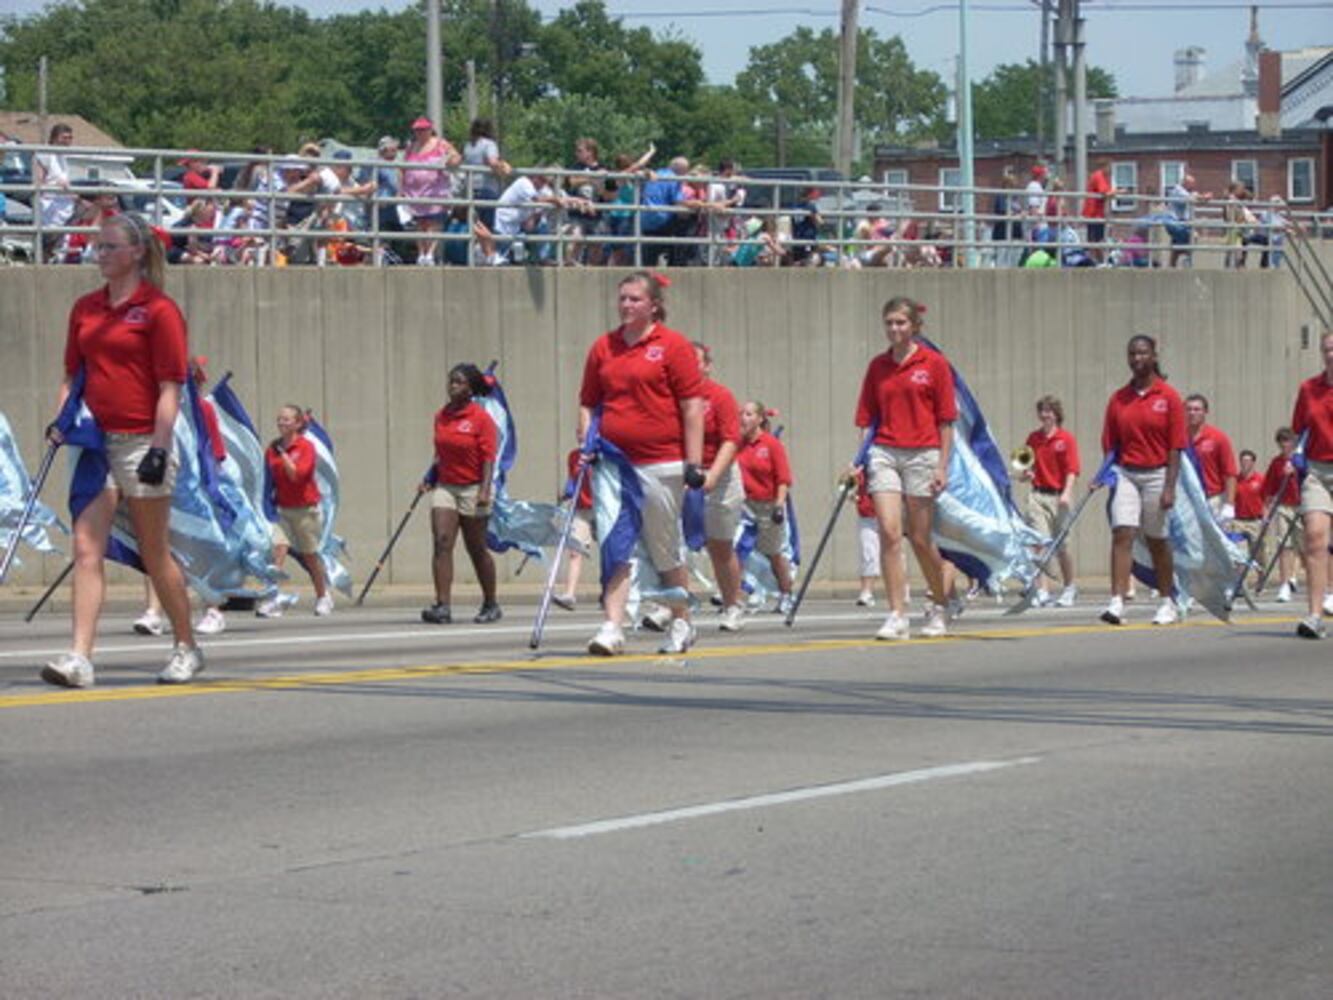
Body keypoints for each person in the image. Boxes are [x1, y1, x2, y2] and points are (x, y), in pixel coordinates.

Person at [41, 213, 205, 688]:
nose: (100, 254)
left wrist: (159, 446)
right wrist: (61, 420)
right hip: (95, 441)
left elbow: (170, 384)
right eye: (98, 247)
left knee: (154, 553)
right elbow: (72, 375)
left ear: (135, 252)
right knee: (85, 547)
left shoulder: (158, 310)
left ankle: (186, 645)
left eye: (110, 247)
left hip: (140, 441)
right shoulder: (86, 308)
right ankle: (79, 657)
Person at [578, 271, 705, 656]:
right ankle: (612, 626)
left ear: (653, 305)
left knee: (664, 547)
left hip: (661, 461)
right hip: (615, 463)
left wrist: (694, 462)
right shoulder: (604, 347)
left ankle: (681, 618)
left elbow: (691, 406)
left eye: (635, 299)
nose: (627, 305)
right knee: (617, 545)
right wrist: (586, 440)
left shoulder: (673, 346)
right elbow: (588, 401)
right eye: (623, 299)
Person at [853, 296, 956, 641]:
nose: (894, 329)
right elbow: (866, 420)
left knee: (921, 539)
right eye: (889, 323)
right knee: (889, 531)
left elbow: (946, 422)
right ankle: (897, 613)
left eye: (900, 322)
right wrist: (858, 461)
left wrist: (942, 466)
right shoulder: (877, 367)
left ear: (914, 326)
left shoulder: (934, 364)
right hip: (884, 452)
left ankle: (940, 601)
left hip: (922, 454)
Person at [1099, 334, 1187, 626]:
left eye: (1143, 353)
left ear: (1153, 357)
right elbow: (1110, 444)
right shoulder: (1118, 399)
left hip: (1158, 474)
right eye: (1132, 354)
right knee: (1121, 532)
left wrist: (1169, 487)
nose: (1137, 359)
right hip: (1127, 472)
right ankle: (1116, 601)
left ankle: (1166, 600)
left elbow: (1176, 447)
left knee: (1156, 540)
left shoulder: (1169, 397)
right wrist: (1105, 474)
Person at [419, 364, 501, 625]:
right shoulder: (441, 416)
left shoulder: (480, 418)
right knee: (442, 542)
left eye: (459, 382)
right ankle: (442, 606)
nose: (453, 386)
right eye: (451, 381)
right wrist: (429, 477)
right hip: (446, 486)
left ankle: (490, 603)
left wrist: (485, 490)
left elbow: (489, 457)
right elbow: (440, 453)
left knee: (476, 548)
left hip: (474, 487)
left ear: (470, 388)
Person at [259, 405, 334, 617]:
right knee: (277, 552)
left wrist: (284, 456)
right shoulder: (271, 449)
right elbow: (268, 481)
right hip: (281, 509)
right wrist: (266, 506)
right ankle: (272, 599)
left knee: (310, 556)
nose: (281, 423)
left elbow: (298, 476)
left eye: (287, 419)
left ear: (298, 423)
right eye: (279, 419)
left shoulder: (306, 447)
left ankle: (323, 596)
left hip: (305, 510)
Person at [694, 342, 745, 630]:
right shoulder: (673, 396)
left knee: (720, 546)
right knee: (671, 545)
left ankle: (733, 604)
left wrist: (711, 476)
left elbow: (731, 440)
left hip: (720, 474)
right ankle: (670, 605)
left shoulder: (721, 396)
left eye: (696, 361)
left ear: (707, 365)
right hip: (686, 474)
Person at [1290, 331, 1333, 637]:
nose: (1331, 354)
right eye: (1327, 349)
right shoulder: (1309, 389)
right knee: (1315, 537)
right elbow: (1298, 429)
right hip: (1318, 470)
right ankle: (1314, 615)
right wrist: (1294, 457)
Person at [1020, 395, 1080, 607]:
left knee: (1062, 547)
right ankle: (1042, 590)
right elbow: (1025, 468)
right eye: (1042, 411)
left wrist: (1067, 493)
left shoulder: (1066, 440)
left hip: (1058, 497)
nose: (1045, 415)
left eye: (1049, 411)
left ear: (1056, 415)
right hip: (1037, 495)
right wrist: (1025, 474)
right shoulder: (1033, 439)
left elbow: (1072, 470)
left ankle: (1070, 587)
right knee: (1038, 544)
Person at [736, 401, 795, 614]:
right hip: (745, 507)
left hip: (769, 505)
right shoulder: (737, 445)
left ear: (760, 418)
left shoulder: (771, 444)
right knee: (738, 551)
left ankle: (787, 593)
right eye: (741, 413)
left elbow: (783, 478)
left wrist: (779, 506)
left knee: (774, 553)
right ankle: (737, 599)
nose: (743, 417)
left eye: (749, 414)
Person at [401, 116, 461, 265]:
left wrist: (450, 161)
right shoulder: (411, 147)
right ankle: (421, 253)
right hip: (414, 192)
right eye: (417, 130)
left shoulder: (441, 144)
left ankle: (430, 254)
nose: (419, 132)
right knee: (420, 223)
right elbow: (402, 167)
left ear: (430, 130)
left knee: (434, 222)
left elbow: (456, 157)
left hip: (435, 190)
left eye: (423, 129)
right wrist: (401, 187)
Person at [1261, 426, 1304, 604]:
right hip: (1283, 507)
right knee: (1284, 546)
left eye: (1287, 441)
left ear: (1294, 443)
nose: (1284, 445)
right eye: (1281, 441)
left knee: (1305, 549)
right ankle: (1284, 585)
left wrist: (1296, 471)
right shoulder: (1276, 463)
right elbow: (1269, 490)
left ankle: (1322, 586)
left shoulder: (1301, 460)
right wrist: (1266, 511)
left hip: (1302, 506)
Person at [552, 445, 595, 611]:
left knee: (613, 553)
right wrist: (567, 492)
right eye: (578, 431)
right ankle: (570, 594)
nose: (581, 435)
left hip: (602, 507)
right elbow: (573, 480)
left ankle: (611, 592)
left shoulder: (605, 454)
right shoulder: (574, 456)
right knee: (574, 551)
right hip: (581, 508)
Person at [1184, 393, 1237, 521]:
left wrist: (1229, 504)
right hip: (1186, 499)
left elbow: (1230, 473)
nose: (1192, 413)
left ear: (1205, 411)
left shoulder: (1218, 437)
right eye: (1188, 409)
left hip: (1212, 499)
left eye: (1197, 409)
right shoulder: (1179, 437)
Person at [34, 122, 76, 260]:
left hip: (65, 205)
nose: (67, 141)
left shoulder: (64, 157)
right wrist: (54, 186)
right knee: (48, 241)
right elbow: (37, 183)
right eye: (64, 138)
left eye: (70, 138)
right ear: (54, 138)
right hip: (50, 206)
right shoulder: (45, 154)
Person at [461, 118, 510, 231]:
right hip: (486, 189)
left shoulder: (468, 145)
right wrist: (503, 167)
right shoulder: (489, 144)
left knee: (474, 226)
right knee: (488, 227)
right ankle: (485, 248)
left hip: (470, 190)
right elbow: (492, 161)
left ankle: (473, 247)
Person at [1231, 448, 1266, 589]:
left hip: (1255, 521)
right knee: (1239, 553)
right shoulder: (1235, 481)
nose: (1245, 463)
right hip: (1239, 521)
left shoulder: (1260, 480)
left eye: (1248, 461)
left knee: (1258, 554)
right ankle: (1240, 584)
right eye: (1242, 461)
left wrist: (1265, 518)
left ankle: (1261, 579)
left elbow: (1267, 500)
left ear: (1253, 462)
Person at [1083, 157, 1116, 264]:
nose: (1110, 170)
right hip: (1094, 213)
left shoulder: (1098, 176)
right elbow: (1105, 193)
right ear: (1104, 167)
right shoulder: (1099, 176)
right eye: (1109, 167)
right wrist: (1118, 192)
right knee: (1097, 240)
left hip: (1094, 213)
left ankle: (1097, 261)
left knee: (1095, 239)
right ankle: (1100, 262)